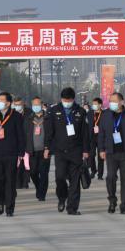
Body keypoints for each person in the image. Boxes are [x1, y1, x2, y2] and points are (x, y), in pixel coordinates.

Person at [44, 87, 90, 215]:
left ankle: (72, 208)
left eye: (69, 100)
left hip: (76, 150)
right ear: (61, 99)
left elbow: (85, 133)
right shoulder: (54, 111)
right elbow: (49, 131)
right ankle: (62, 197)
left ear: (73, 99)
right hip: (60, 151)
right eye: (65, 100)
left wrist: (86, 150)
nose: (67, 102)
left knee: (75, 181)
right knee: (60, 177)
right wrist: (47, 147)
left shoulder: (80, 111)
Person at [98, 93, 125, 214]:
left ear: (121, 102)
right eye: (110, 101)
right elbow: (101, 134)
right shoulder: (105, 115)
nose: (112, 103)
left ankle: (124, 204)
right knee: (110, 177)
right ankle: (112, 200)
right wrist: (101, 149)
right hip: (111, 152)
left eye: (114, 101)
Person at [25, 97, 50, 202]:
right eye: (34, 105)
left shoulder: (48, 118)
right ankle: (39, 186)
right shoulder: (29, 119)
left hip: (45, 150)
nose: (36, 106)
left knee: (44, 173)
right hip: (32, 150)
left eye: (37, 104)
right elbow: (24, 134)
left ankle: (42, 194)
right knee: (33, 172)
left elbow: (51, 134)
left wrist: (48, 147)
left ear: (41, 105)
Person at [88, 98, 104, 180]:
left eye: (95, 104)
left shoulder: (104, 114)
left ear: (100, 105)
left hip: (101, 137)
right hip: (92, 137)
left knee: (100, 156)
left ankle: (100, 174)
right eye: (93, 104)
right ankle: (93, 170)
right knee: (91, 155)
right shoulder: (90, 113)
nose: (93, 105)